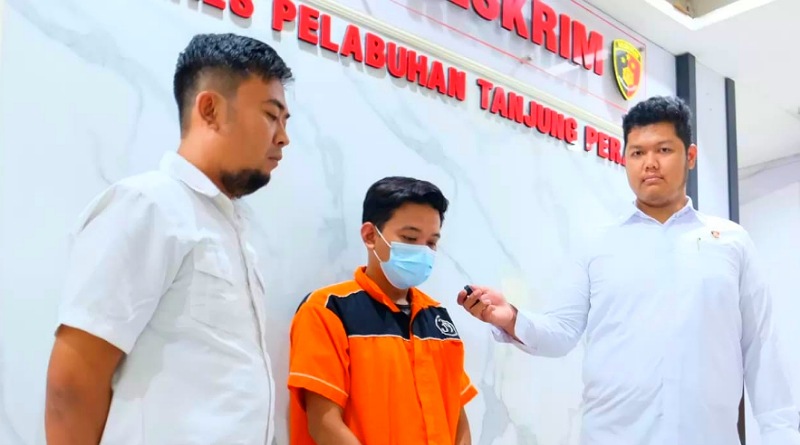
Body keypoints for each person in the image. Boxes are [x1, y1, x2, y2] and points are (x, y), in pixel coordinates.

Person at [458, 96, 800, 445]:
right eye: (637, 153)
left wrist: (782, 435)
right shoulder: (597, 244)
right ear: (625, 160)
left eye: (664, 150)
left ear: (690, 156)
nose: (649, 163)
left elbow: (761, 346)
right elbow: (561, 331)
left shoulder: (731, 242)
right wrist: (511, 317)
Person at [44, 33, 292, 445]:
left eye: (285, 121)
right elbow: (71, 386)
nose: (283, 137)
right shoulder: (148, 206)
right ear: (210, 110)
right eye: (271, 115)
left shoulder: (231, 229)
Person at [288, 176, 477, 445]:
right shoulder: (329, 309)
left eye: (431, 243)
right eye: (410, 238)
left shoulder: (437, 318)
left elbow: (457, 417)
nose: (423, 251)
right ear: (370, 236)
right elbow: (324, 424)